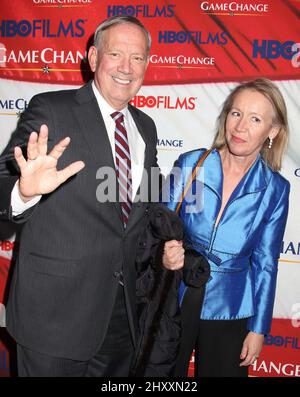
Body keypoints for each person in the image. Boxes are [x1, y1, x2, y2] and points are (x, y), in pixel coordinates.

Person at [0, 15, 184, 377]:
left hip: (121, 316)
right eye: (116, 54)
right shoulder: (52, 109)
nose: (127, 68)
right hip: (54, 318)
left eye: (138, 58)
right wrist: (22, 191)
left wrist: (165, 246)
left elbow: (142, 207)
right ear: (93, 58)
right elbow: (3, 181)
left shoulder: (145, 127)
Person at [165, 78, 290, 377]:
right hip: (175, 296)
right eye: (236, 113)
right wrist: (164, 251)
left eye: (255, 119)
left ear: (272, 131)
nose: (241, 126)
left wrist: (259, 328)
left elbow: (265, 263)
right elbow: (160, 227)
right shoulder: (193, 164)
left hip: (230, 305)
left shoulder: (275, 189)